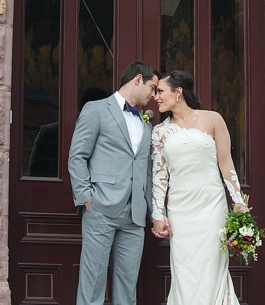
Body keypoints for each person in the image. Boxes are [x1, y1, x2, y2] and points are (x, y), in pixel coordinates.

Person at [151, 70, 248, 305]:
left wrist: (239, 201)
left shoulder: (213, 119)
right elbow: (159, 176)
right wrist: (157, 214)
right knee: (185, 274)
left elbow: (226, 163)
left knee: (211, 268)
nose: (156, 97)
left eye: (160, 91)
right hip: (180, 211)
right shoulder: (159, 132)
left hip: (211, 206)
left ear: (178, 92)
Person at [68, 61, 160, 305]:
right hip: (100, 209)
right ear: (138, 79)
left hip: (135, 217)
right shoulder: (96, 109)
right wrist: (86, 197)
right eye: (152, 88)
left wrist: (154, 213)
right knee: (93, 285)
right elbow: (77, 156)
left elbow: (146, 170)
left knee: (127, 289)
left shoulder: (146, 122)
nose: (153, 96)